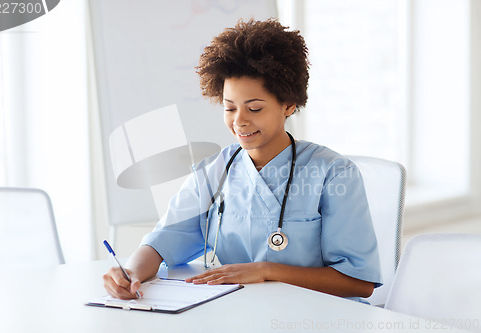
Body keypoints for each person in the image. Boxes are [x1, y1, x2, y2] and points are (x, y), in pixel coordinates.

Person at [103, 18, 382, 302]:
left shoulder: (333, 174)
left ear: (288, 104)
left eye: (255, 108)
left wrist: (266, 270)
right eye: (229, 108)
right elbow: (163, 240)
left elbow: (358, 282)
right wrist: (131, 272)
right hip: (240, 314)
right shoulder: (215, 172)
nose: (239, 121)